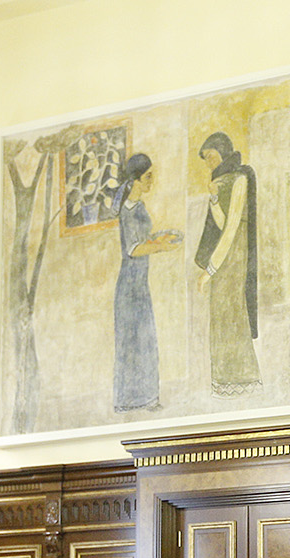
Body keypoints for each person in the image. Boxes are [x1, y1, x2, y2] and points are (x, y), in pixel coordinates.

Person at [112, 152, 181, 412]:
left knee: (146, 340)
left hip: (140, 285)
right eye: (148, 177)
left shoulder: (139, 207)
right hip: (128, 287)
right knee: (131, 344)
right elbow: (133, 249)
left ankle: (148, 398)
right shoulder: (127, 211)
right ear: (136, 180)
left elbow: (144, 239)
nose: (152, 181)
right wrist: (161, 247)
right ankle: (127, 401)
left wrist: (160, 238)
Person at [194, 131, 259, 396]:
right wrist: (213, 198)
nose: (209, 163)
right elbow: (221, 225)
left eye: (211, 156)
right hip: (224, 258)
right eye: (206, 159)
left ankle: (244, 378)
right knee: (220, 318)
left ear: (222, 152)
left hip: (234, 258)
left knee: (233, 315)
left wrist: (209, 270)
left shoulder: (240, 178)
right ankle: (223, 380)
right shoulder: (221, 181)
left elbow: (232, 229)